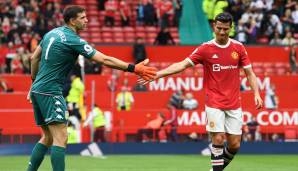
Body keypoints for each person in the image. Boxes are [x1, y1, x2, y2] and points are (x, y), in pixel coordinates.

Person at [26, 5, 157, 171]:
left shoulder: (51, 33)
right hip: (50, 91)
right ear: (72, 21)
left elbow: (33, 58)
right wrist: (133, 68)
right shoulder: (72, 40)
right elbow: (104, 60)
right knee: (61, 137)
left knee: (47, 137)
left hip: (38, 89)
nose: (87, 20)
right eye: (82, 17)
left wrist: (33, 83)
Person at [139, 12, 263, 171]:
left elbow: (249, 73)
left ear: (231, 28)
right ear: (214, 27)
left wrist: (256, 94)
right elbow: (182, 65)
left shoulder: (238, 48)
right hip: (214, 102)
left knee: (234, 145)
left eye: (226, 29)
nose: (222, 32)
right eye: (219, 28)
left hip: (234, 103)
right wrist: (158, 74)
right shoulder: (206, 48)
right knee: (218, 138)